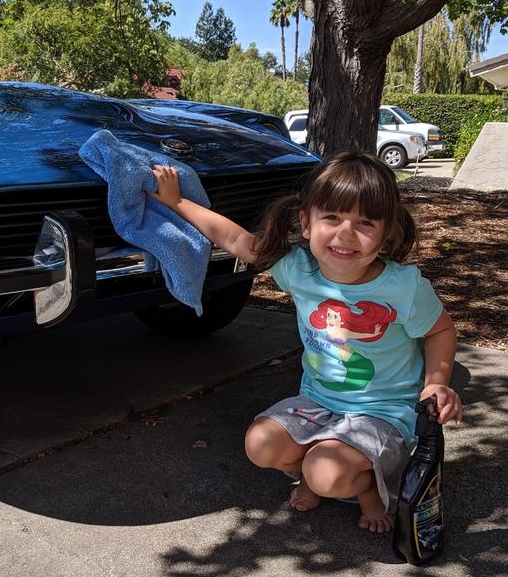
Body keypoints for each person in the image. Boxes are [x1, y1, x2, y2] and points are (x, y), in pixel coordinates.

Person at [151, 151, 463, 533]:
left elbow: (440, 331)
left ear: (386, 235)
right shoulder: (298, 268)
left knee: (326, 472)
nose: (345, 233)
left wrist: (437, 381)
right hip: (318, 401)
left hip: (383, 413)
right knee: (260, 444)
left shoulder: (404, 288)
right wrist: (177, 201)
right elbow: (233, 237)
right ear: (306, 222)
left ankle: (367, 490)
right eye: (331, 217)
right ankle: (316, 473)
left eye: (365, 222)